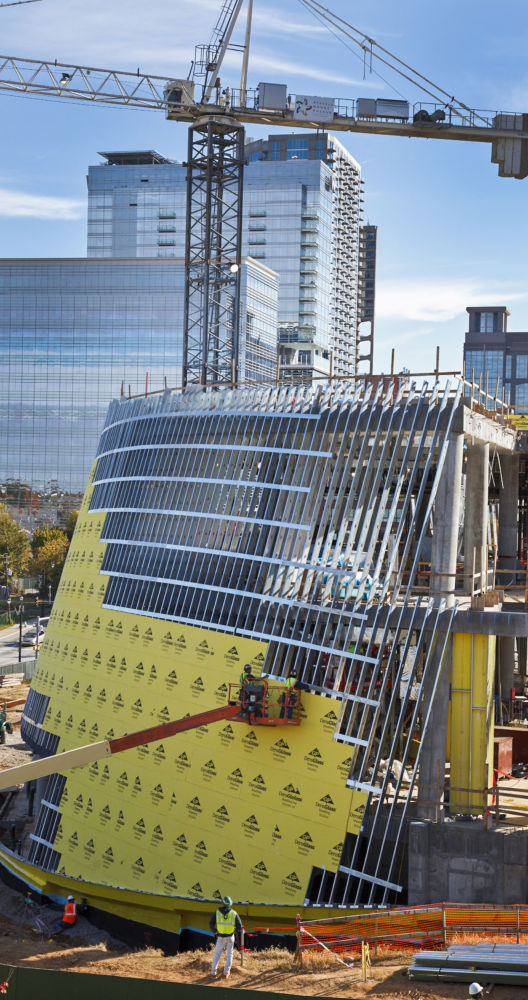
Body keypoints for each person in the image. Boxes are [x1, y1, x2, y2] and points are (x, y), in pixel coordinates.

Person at [209, 895, 242, 978]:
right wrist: (234, 929)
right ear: (230, 904)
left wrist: (215, 931)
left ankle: (213, 972)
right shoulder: (234, 913)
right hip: (230, 937)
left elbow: (211, 923)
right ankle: (226, 972)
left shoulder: (217, 912)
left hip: (220, 937)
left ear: (223, 903)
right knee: (229, 954)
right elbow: (239, 927)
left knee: (217, 954)